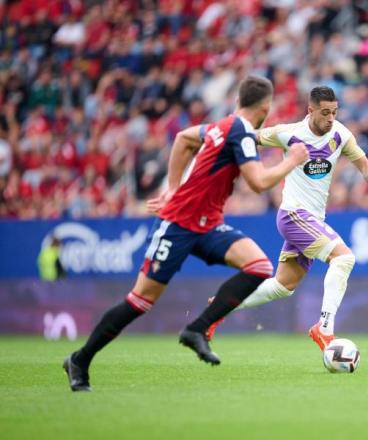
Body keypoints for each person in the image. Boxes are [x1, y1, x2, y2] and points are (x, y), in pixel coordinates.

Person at [63, 76, 309, 391]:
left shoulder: (220, 126)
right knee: (140, 301)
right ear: (266, 107)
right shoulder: (242, 131)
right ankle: (80, 360)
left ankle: (197, 328)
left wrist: (172, 188)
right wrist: (291, 160)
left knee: (259, 266)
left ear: (238, 100)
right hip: (178, 224)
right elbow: (258, 183)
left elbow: (183, 138)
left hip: (207, 224)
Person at [207, 86, 368, 351]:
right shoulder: (288, 134)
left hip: (312, 219)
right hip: (294, 215)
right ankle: (324, 329)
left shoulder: (340, 134)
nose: (330, 118)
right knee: (344, 258)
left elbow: (363, 163)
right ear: (311, 110)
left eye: (334, 112)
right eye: (325, 113)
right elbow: (248, 138)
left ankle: (219, 307)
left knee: (283, 286)